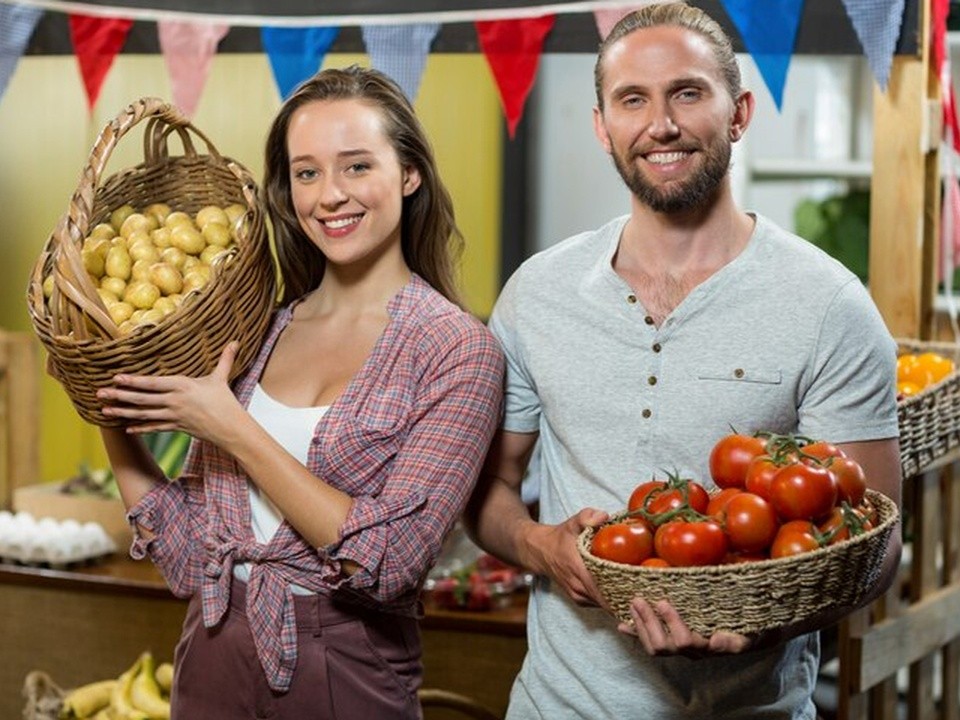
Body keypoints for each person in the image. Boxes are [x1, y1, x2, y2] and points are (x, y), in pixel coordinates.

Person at [464, 4, 902, 719]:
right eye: (632, 100)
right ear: (604, 128)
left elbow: (875, 550)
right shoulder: (537, 293)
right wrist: (543, 546)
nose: (660, 124)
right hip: (558, 704)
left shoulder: (829, 305)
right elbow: (490, 491)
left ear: (739, 114)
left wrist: (762, 621)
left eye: (688, 93)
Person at [93, 66, 504, 718]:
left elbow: (390, 561)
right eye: (307, 173)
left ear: (409, 174)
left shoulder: (454, 350)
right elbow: (184, 554)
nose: (330, 195)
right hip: (209, 655)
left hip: (343, 666)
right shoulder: (255, 331)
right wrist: (104, 399)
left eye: (357, 166)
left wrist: (233, 429)